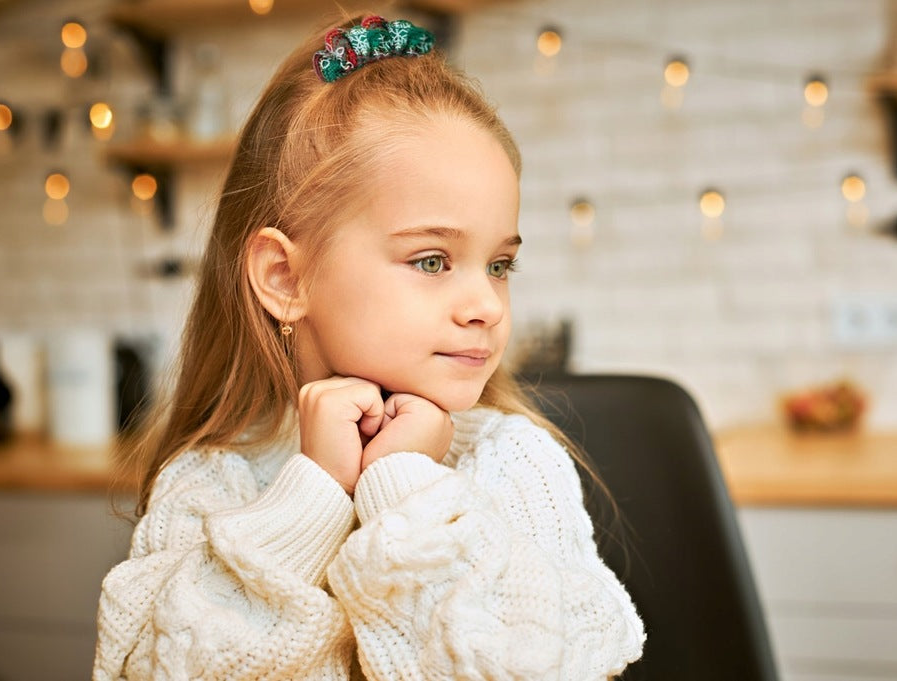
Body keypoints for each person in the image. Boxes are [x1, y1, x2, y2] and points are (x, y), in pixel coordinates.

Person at [94, 14, 644, 680]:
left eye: (499, 265)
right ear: (285, 277)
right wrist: (312, 497)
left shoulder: (516, 465)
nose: (486, 306)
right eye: (433, 260)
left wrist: (407, 487)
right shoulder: (209, 487)